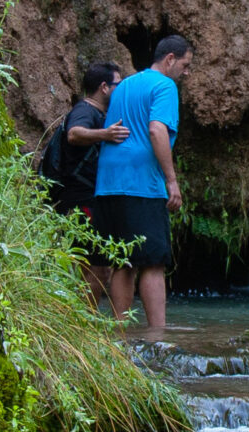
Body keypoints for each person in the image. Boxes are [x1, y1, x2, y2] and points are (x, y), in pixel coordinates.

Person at [92, 35, 191, 337]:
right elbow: (156, 130)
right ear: (170, 59)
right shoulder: (165, 86)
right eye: (185, 65)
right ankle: (158, 337)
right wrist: (171, 180)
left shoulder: (125, 85)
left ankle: (120, 334)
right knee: (153, 262)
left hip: (108, 183)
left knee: (122, 261)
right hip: (141, 184)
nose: (187, 72)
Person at [44, 62, 129, 305]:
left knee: (98, 266)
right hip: (80, 201)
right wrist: (105, 134)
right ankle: (84, 321)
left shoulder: (98, 113)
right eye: (117, 84)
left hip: (88, 200)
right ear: (104, 87)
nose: (120, 89)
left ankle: (85, 319)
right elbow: (74, 133)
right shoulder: (86, 110)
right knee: (93, 265)